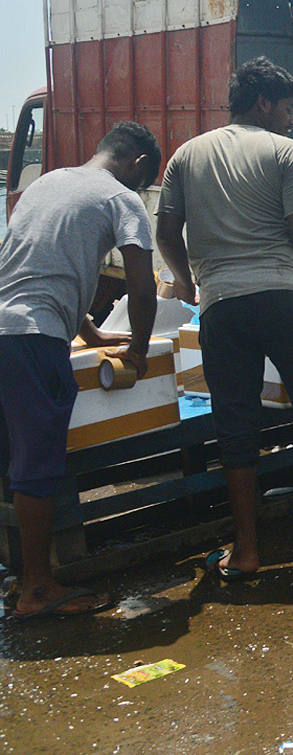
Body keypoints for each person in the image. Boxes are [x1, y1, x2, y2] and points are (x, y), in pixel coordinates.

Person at [156, 56, 293, 580]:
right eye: (287, 109)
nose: (291, 121)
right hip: (285, 297)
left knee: (235, 424)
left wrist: (189, 280)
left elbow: (167, 233)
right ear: (264, 102)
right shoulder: (284, 151)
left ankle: (245, 551)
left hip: (222, 305)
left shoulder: (186, 156)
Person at [0, 122, 160, 618]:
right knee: (38, 459)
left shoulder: (47, 183)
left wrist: (88, 334)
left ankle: (18, 574)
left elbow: (37, 264)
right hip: (32, 338)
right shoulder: (120, 198)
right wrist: (137, 346)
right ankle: (38, 589)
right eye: (142, 180)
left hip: (7, 327)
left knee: (10, 457)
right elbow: (142, 284)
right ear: (135, 163)